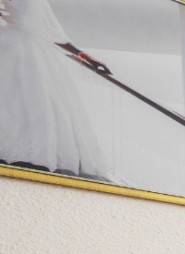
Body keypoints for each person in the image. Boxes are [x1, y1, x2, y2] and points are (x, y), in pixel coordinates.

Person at [0, 0, 114, 181]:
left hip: (35, 53)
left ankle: (39, 154)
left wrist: (87, 58)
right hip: (11, 48)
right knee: (14, 106)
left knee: (42, 107)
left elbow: (54, 32)